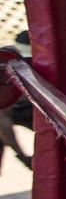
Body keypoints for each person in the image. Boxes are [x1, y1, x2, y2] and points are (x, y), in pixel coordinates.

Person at [0, 31, 33, 172]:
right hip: (8, 109)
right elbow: (2, 120)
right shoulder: (4, 66)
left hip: (27, 106)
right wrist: (22, 156)